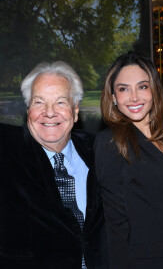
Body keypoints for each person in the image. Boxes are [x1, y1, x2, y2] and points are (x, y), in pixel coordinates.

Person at [94, 52, 163, 269]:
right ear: (114, 97)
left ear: (155, 91)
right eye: (123, 89)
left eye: (143, 86)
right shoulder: (110, 142)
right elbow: (115, 225)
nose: (134, 97)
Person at [0, 61, 108, 269]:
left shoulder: (100, 151)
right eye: (39, 102)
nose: (49, 113)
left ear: (75, 110)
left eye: (61, 102)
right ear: (28, 109)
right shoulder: (6, 150)